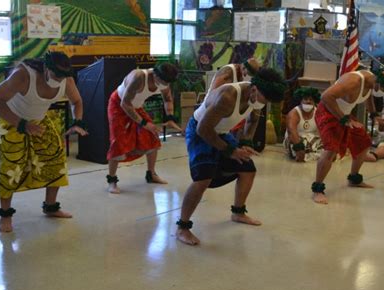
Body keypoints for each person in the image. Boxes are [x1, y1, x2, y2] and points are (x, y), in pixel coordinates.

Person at [176, 68, 287, 245]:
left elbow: (253, 119)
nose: (263, 104)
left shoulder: (257, 97)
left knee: (248, 169)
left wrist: (246, 143)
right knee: (203, 178)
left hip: (221, 132)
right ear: (254, 89)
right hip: (200, 131)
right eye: (264, 99)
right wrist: (231, 151)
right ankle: (182, 227)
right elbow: (203, 130)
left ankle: (238, 212)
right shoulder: (228, 97)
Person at [0, 51, 88, 232]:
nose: (59, 80)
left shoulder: (66, 79)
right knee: (12, 166)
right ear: (46, 68)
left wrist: (77, 122)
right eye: (56, 76)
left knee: (55, 159)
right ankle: (6, 215)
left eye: (63, 77)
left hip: (39, 120)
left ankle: (51, 207)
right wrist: (21, 124)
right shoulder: (24, 75)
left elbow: (77, 101)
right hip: (12, 120)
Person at [312, 69, 384, 204]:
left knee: (364, 142)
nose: (383, 91)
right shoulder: (353, 81)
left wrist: (375, 115)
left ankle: (354, 178)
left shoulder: (370, 83)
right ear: (377, 82)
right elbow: (326, 96)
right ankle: (317, 189)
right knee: (331, 150)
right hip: (327, 112)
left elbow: (368, 96)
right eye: (383, 88)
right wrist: (345, 120)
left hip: (344, 114)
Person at [106, 63, 181, 194]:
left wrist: (170, 117)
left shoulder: (165, 81)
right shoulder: (139, 77)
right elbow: (125, 103)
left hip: (136, 107)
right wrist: (144, 123)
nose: (165, 84)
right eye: (163, 81)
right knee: (118, 142)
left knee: (152, 137)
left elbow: (168, 99)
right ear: (156, 75)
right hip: (118, 104)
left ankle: (151, 174)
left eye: (167, 82)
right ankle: (112, 180)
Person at [283, 87, 323, 162]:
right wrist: (299, 148)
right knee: (300, 145)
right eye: (305, 99)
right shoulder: (293, 113)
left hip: (313, 139)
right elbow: (291, 132)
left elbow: (323, 130)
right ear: (300, 101)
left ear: (315, 102)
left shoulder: (318, 113)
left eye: (311, 99)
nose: (308, 101)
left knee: (328, 149)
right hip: (296, 138)